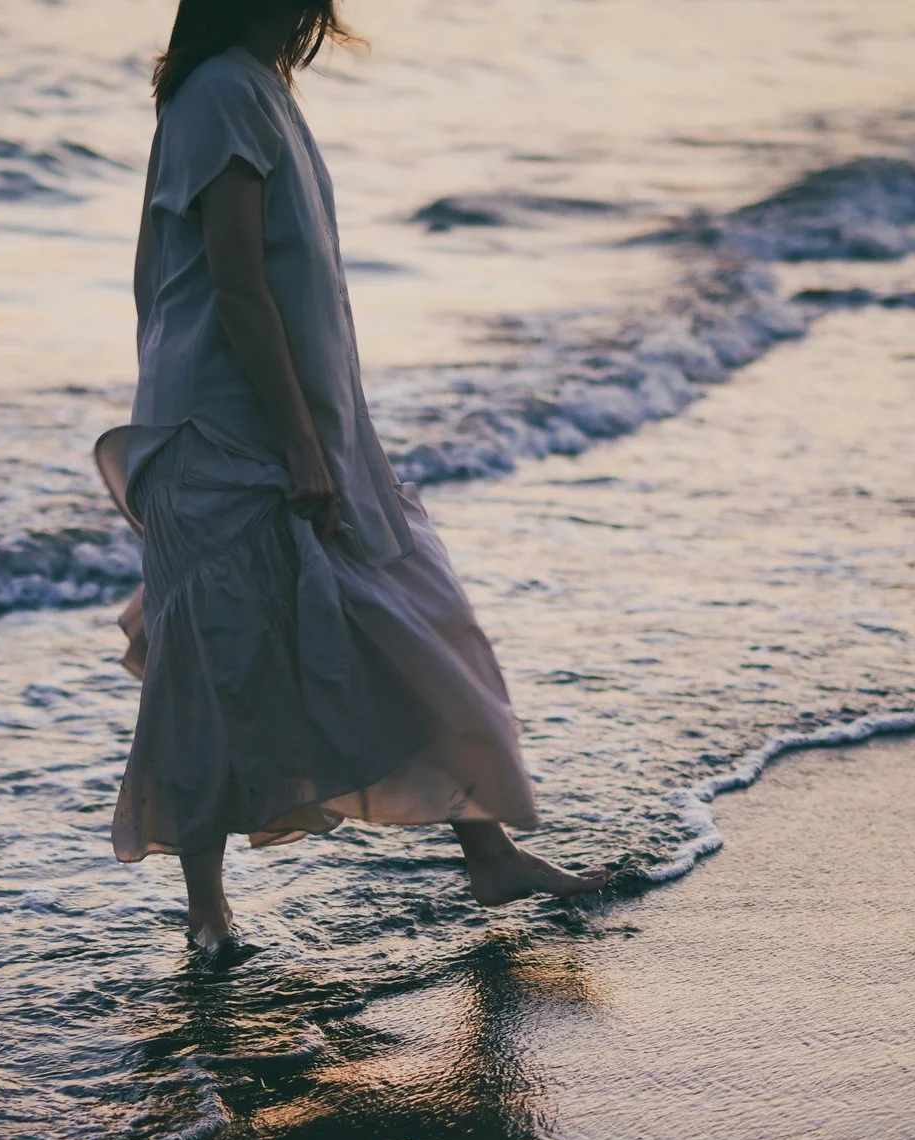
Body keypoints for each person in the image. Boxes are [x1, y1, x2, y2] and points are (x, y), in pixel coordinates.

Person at [98, 0, 610, 961]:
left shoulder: (254, 89)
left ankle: (489, 854)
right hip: (227, 431)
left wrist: (324, 429)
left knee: (409, 623)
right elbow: (236, 284)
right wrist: (296, 439)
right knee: (210, 669)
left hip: (298, 420)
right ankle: (206, 914)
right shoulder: (218, 97)